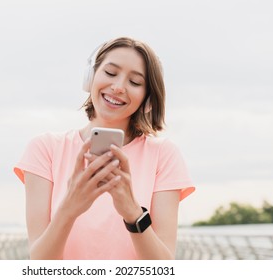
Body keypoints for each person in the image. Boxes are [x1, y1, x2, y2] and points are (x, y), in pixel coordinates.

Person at [14, 37, 195, 260]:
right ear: (90, 77)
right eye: (110, 73)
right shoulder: (45, 149)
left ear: (148, 99)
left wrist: (132, 213)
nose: (118, 87)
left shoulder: (163, 155)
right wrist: (69, 208)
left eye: (135, 82)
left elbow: (164, 267)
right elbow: (40, 263)